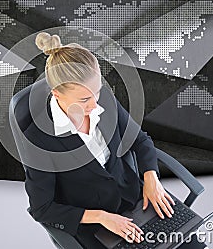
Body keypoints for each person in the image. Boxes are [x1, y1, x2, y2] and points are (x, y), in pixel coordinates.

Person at [22, 32, 177, 248]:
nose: (95, 104)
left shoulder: (103, 98)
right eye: (84, 99)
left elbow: (140, 141)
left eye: (96, 92)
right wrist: (102, 217)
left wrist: (151, 177)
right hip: (95, 226)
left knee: (186, 240)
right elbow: (42, 208)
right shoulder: (39, 140)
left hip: (134, 200)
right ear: (57, 93)